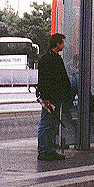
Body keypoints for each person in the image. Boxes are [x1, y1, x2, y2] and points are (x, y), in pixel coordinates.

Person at [36, 33, 71, 161]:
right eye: (62, 42)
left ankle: (49, 149)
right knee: (46, 123)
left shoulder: (53, 58)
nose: (64, 45)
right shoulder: (48, 59)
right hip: (50, 97)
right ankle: (43, 150)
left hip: (56, 96)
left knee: (53, 124)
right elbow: (43, 80)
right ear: (57, 43)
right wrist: (45, 97)